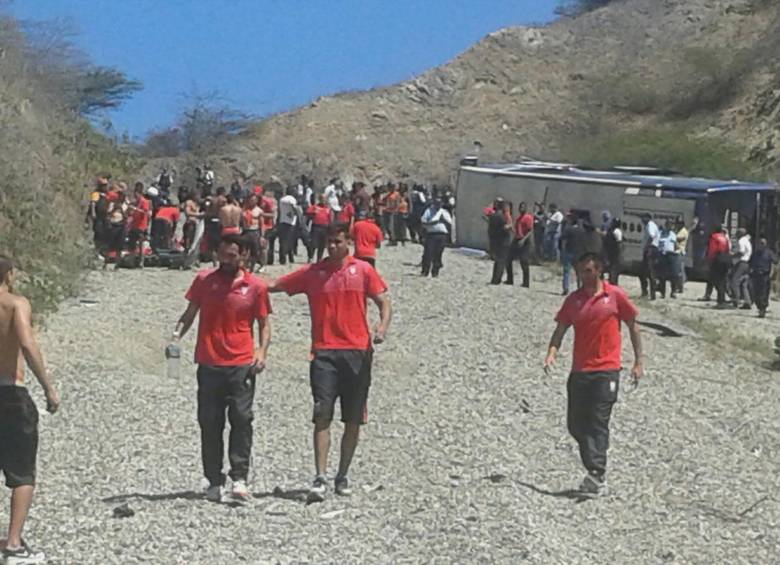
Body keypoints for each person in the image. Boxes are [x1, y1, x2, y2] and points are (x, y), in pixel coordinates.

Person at [266, 224, 392, 500]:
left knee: (353, 418)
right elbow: (276, 285)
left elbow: (383, 301)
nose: (332, 247)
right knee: (322, 414)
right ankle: (320, 476)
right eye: (329, 242)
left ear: (348, 241)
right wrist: (244, 282)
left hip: (358, 352)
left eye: (337, 242)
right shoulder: (314, 273)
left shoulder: (363, 270)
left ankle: (342, 474)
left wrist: (381, 328)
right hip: (324, 353)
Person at [172, 235, 272, 503]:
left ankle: (239, 478)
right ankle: (213, 480)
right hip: (209, 362)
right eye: (223, 255)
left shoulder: (255, 286)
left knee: (241, 419)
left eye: (233, 256)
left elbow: (264, 323)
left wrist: (261, 351)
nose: (227, 261)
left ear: (244, 256)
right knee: (210, 422)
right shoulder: (205, 281)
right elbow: (190, 312)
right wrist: (175, 336)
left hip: (241, 364)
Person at [543, 252, 643, 497]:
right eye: (580, 271)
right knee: (576, 424)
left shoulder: (615, 296)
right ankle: (595, 466)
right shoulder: (574, 301)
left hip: (607, 370)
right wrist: (551, 353)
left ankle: (597, 472)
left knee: (598, 421)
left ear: (598, 270)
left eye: (588, 271)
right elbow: (560, 330)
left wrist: (639, 362)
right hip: (580, 370)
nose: (583, 275)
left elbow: (633, 325)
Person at [0, 255, 60, 563]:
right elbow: (25, 342)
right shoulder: (15, 304)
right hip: (10, 392)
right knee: (22, 473)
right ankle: (13, 544)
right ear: (8, 274)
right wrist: (48, 386)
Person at [420, 198, 452, 278]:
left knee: (438, 253)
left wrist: (443, 220)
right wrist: (434, 222)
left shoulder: (444, 212)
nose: (438, 205)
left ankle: (435, 272)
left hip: (442, 235)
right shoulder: (429, 211)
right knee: (428, 253)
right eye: (437, 204)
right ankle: (425, 271)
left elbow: (450, 222)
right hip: (431, 234)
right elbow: (423, 221)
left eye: (440, 204)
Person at [704, 225, 731, 306]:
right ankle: (722, 299)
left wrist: (709, 260)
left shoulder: (714, 237)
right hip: (725, 258)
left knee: (716, 280)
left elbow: (712, 249)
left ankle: (720, 300)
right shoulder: (725, 238)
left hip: (717, 258)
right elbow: (727, 249)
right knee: (722, 280)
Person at [509, 202, 534, 287]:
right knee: (508, 259)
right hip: (517, 239)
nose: (521, 209)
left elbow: (530, 230)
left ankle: (526, 282)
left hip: (525, 241)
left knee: (524, 261)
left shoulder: (528, 218)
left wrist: (523, 240)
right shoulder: (519, 218)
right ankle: (510, 279)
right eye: (520, 207)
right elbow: (517, 230)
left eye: (523, 207)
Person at [749, 237, 776, 318]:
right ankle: (760, 307)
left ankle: (762, 309)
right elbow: (751, 263)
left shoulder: (769, 253)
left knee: (763, 293)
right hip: (756, 275)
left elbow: (775, 261)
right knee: (756, 293)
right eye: (760, 243)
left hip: (765, 275)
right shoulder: (755, 253)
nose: (761, 245)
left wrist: (772, 273)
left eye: (763, 243)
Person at [488, 201, 513, 285]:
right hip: (503, 241)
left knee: (497, 261)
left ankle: (494, 278)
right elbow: (505, 227)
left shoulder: (492, 216)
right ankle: (497, 279)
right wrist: (509, 226)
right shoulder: (501, 217)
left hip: (495, 241)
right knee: (501, 261)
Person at [729, 228, 752, 310]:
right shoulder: (747, 241)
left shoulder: (741, 241)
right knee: (744, 284)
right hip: (747, 263)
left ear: (740, 234)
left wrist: (732, 255)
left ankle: (736, 301)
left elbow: (741, 252)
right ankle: (747, 302)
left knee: (734, 281)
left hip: (741, 263)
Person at [306, 195, 334, 263]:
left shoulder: (328, 209)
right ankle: (310, 257)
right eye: (322, 199)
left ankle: (319, 259)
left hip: (325, 228)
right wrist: (313, 213)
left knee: (322, 245)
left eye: (324, 199)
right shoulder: (315, 207)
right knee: (313, 244)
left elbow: (331, 219)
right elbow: (308, 213)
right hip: (316, 227)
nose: (323, 200)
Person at [639, 213, 660, 300]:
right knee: (645, 272)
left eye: (643, 218)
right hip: (650, 249)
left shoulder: (650, 225)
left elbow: (651, 237)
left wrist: (647, 248)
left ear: (648, 218)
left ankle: (651, 294)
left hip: (651, 249)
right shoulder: (649, 225)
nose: (642, 220)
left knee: (650, 272)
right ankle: (647, 292)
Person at [657, 220, 680, 299]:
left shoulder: (673, 234)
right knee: (662, 275)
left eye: (672, 225)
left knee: (674, 274)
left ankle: (673, 292)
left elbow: (676, 245)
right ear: (666, 225)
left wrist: (677, 250)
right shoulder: (660, 234)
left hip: (671, 255)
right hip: (662, 255)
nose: (671, 226)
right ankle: (662, 293)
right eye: (669, 225)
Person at [127, 183, 151, 257]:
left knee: (141, 242)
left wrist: (135, 209)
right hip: (134, 224)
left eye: (136, 194)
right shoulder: (136, 202)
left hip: (141, 225)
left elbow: (145, 212)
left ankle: (141, 259)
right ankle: (132, 258)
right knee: (132, 242)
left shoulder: (144, 201)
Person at [277, 188, 300, 265]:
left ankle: (285, 258)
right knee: (288, 241)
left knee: (282, 241)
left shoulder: (282, 199)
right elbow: (294, 207)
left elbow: (279, 210)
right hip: (290, 222)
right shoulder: (292, 199)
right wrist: (297, 213)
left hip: (282, 220)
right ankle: (284, 259)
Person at [242, 194, 263, 272]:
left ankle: (252, 268)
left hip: (255, 231)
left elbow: (261, 224)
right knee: (244, 251)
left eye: (254, 200)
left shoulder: (259, 210)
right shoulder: (244, 210)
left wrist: (262, 236)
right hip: (246, 231)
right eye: (251, 200)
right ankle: (244, 267)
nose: (252, 201)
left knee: (254, 251)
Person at [602, 217, 623, 285]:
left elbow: (619, 244)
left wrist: (618, 255)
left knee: (613, 271)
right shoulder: (611, 231)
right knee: (610, 270)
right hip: (609, 253)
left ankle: (614, 284)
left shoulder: (617, 232)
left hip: (614, 254)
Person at [675, 218, 689, 294]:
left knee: (680, 270)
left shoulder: (683, 231)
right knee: (678, 270)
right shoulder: (679, 230)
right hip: (677, 252)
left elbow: (677, 239)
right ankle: (679, 286)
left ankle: (680, 287)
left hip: (680, 251)